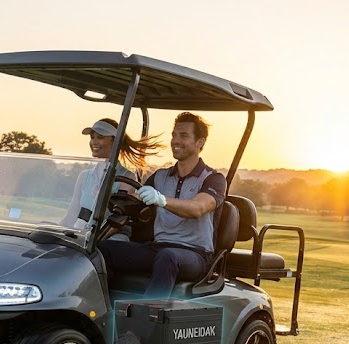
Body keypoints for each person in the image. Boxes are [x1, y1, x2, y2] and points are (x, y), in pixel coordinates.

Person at [99, 112, 226, 298]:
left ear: (200, 142)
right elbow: (133, 204)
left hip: (195, 255)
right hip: (158, 249)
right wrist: (95, 237)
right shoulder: (160, 176)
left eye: (183, 136)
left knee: (168, 257)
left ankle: (147, 319)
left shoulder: (213, 178)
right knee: (103, 249)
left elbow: (197, 209)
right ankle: (101, 311)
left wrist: (162, 200)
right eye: (174, 135)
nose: (176, 140)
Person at [62, 118, 161, 240]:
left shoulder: (127, 177)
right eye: (92, 137)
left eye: (100, 137)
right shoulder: (84, 176)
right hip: (84, 234)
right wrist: (51, 229)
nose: (94, 142)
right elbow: (71, 215)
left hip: (111, 237)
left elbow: (118, 220)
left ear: (115, 141)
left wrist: (93, 238)